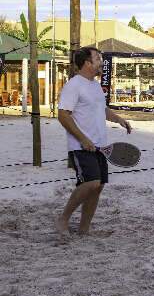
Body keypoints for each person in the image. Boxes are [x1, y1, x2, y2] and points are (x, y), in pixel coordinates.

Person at [55, 47, 132, 236]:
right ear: (87, 63)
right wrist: (82, 139)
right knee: (91, 183)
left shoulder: (95, 86)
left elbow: (102, 109)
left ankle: (84, 229)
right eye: (98, 59)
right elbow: (63, 115)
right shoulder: (74, 85)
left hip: (101, 144)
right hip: (81, 145)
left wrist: (119, 119)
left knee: (98, 187)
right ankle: (63, 219)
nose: (101, 62)